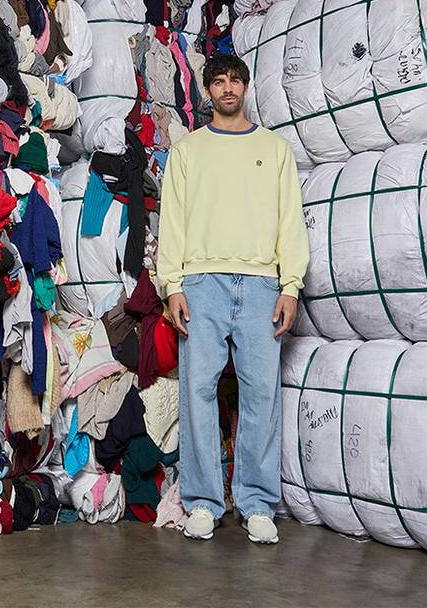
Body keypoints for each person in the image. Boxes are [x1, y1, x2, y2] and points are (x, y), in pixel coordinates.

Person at [156, 54, 309, 544]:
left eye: (235, 81)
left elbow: (290, 218)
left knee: (261, 391)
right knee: (198, 390)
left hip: (261, 282)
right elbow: (172, 220)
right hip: (201, 283)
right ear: (207, 90)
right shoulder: (187, 151)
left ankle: (257, 502)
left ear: (246, 87)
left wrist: (290, 285)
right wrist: (172, 284)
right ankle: (202, 502)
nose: (227, 89)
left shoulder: (275, 148)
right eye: (218, 81)